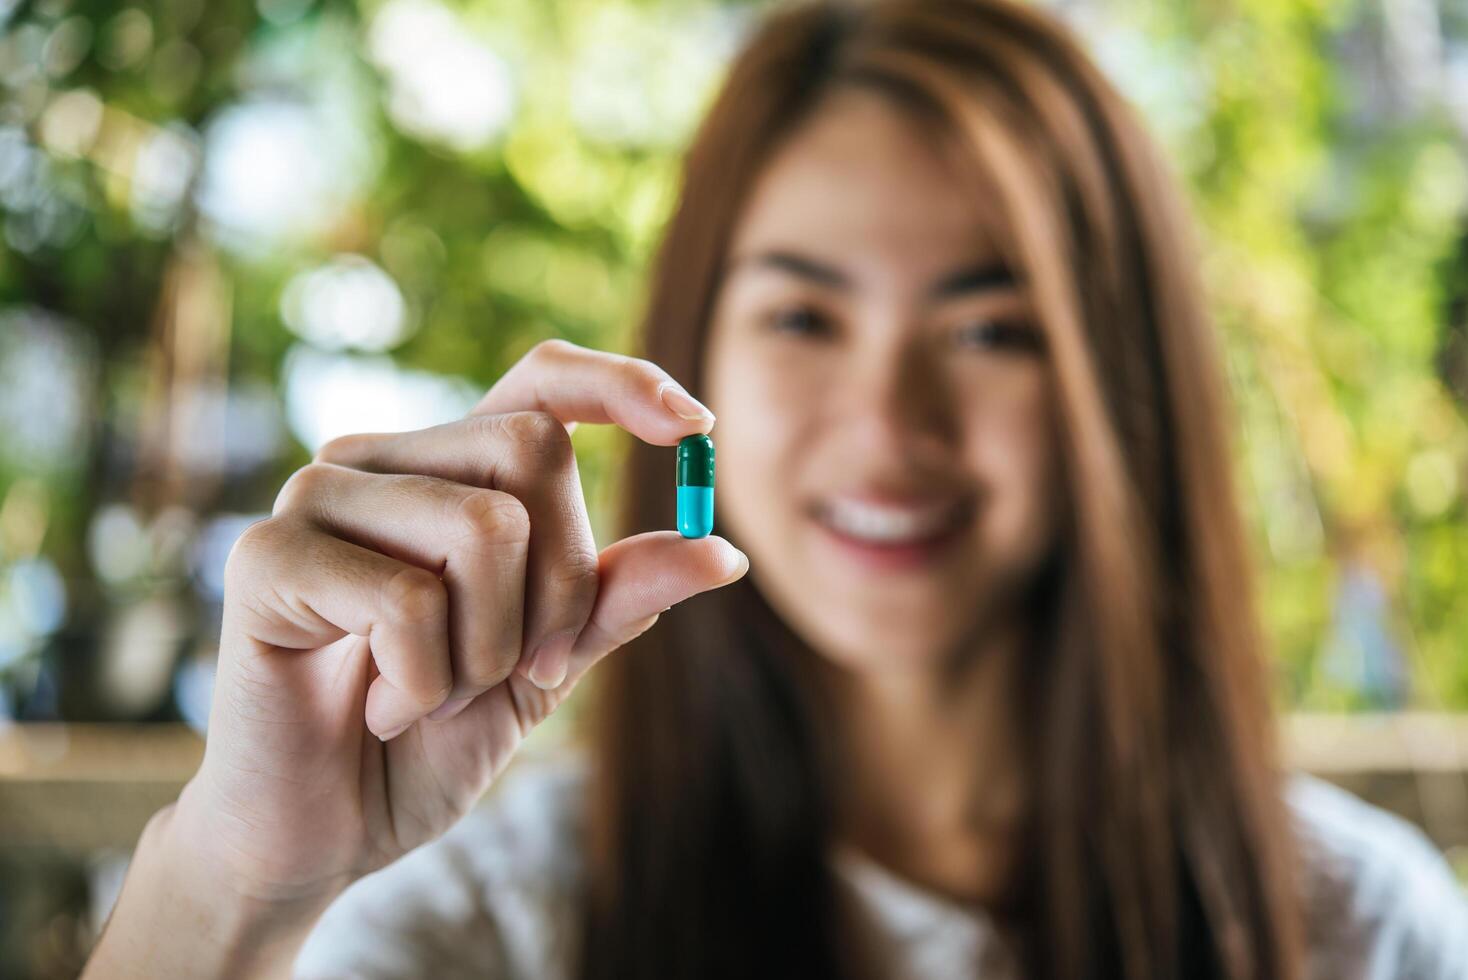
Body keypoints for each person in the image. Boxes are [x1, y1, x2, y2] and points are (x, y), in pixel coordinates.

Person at [82, 0, 1468, 977]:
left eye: (992, 328)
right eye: (805, 318)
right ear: (693, 362)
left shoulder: (1356, 932)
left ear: (1126, 384)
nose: (888, 423)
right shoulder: (487, 928)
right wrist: (235, 886)